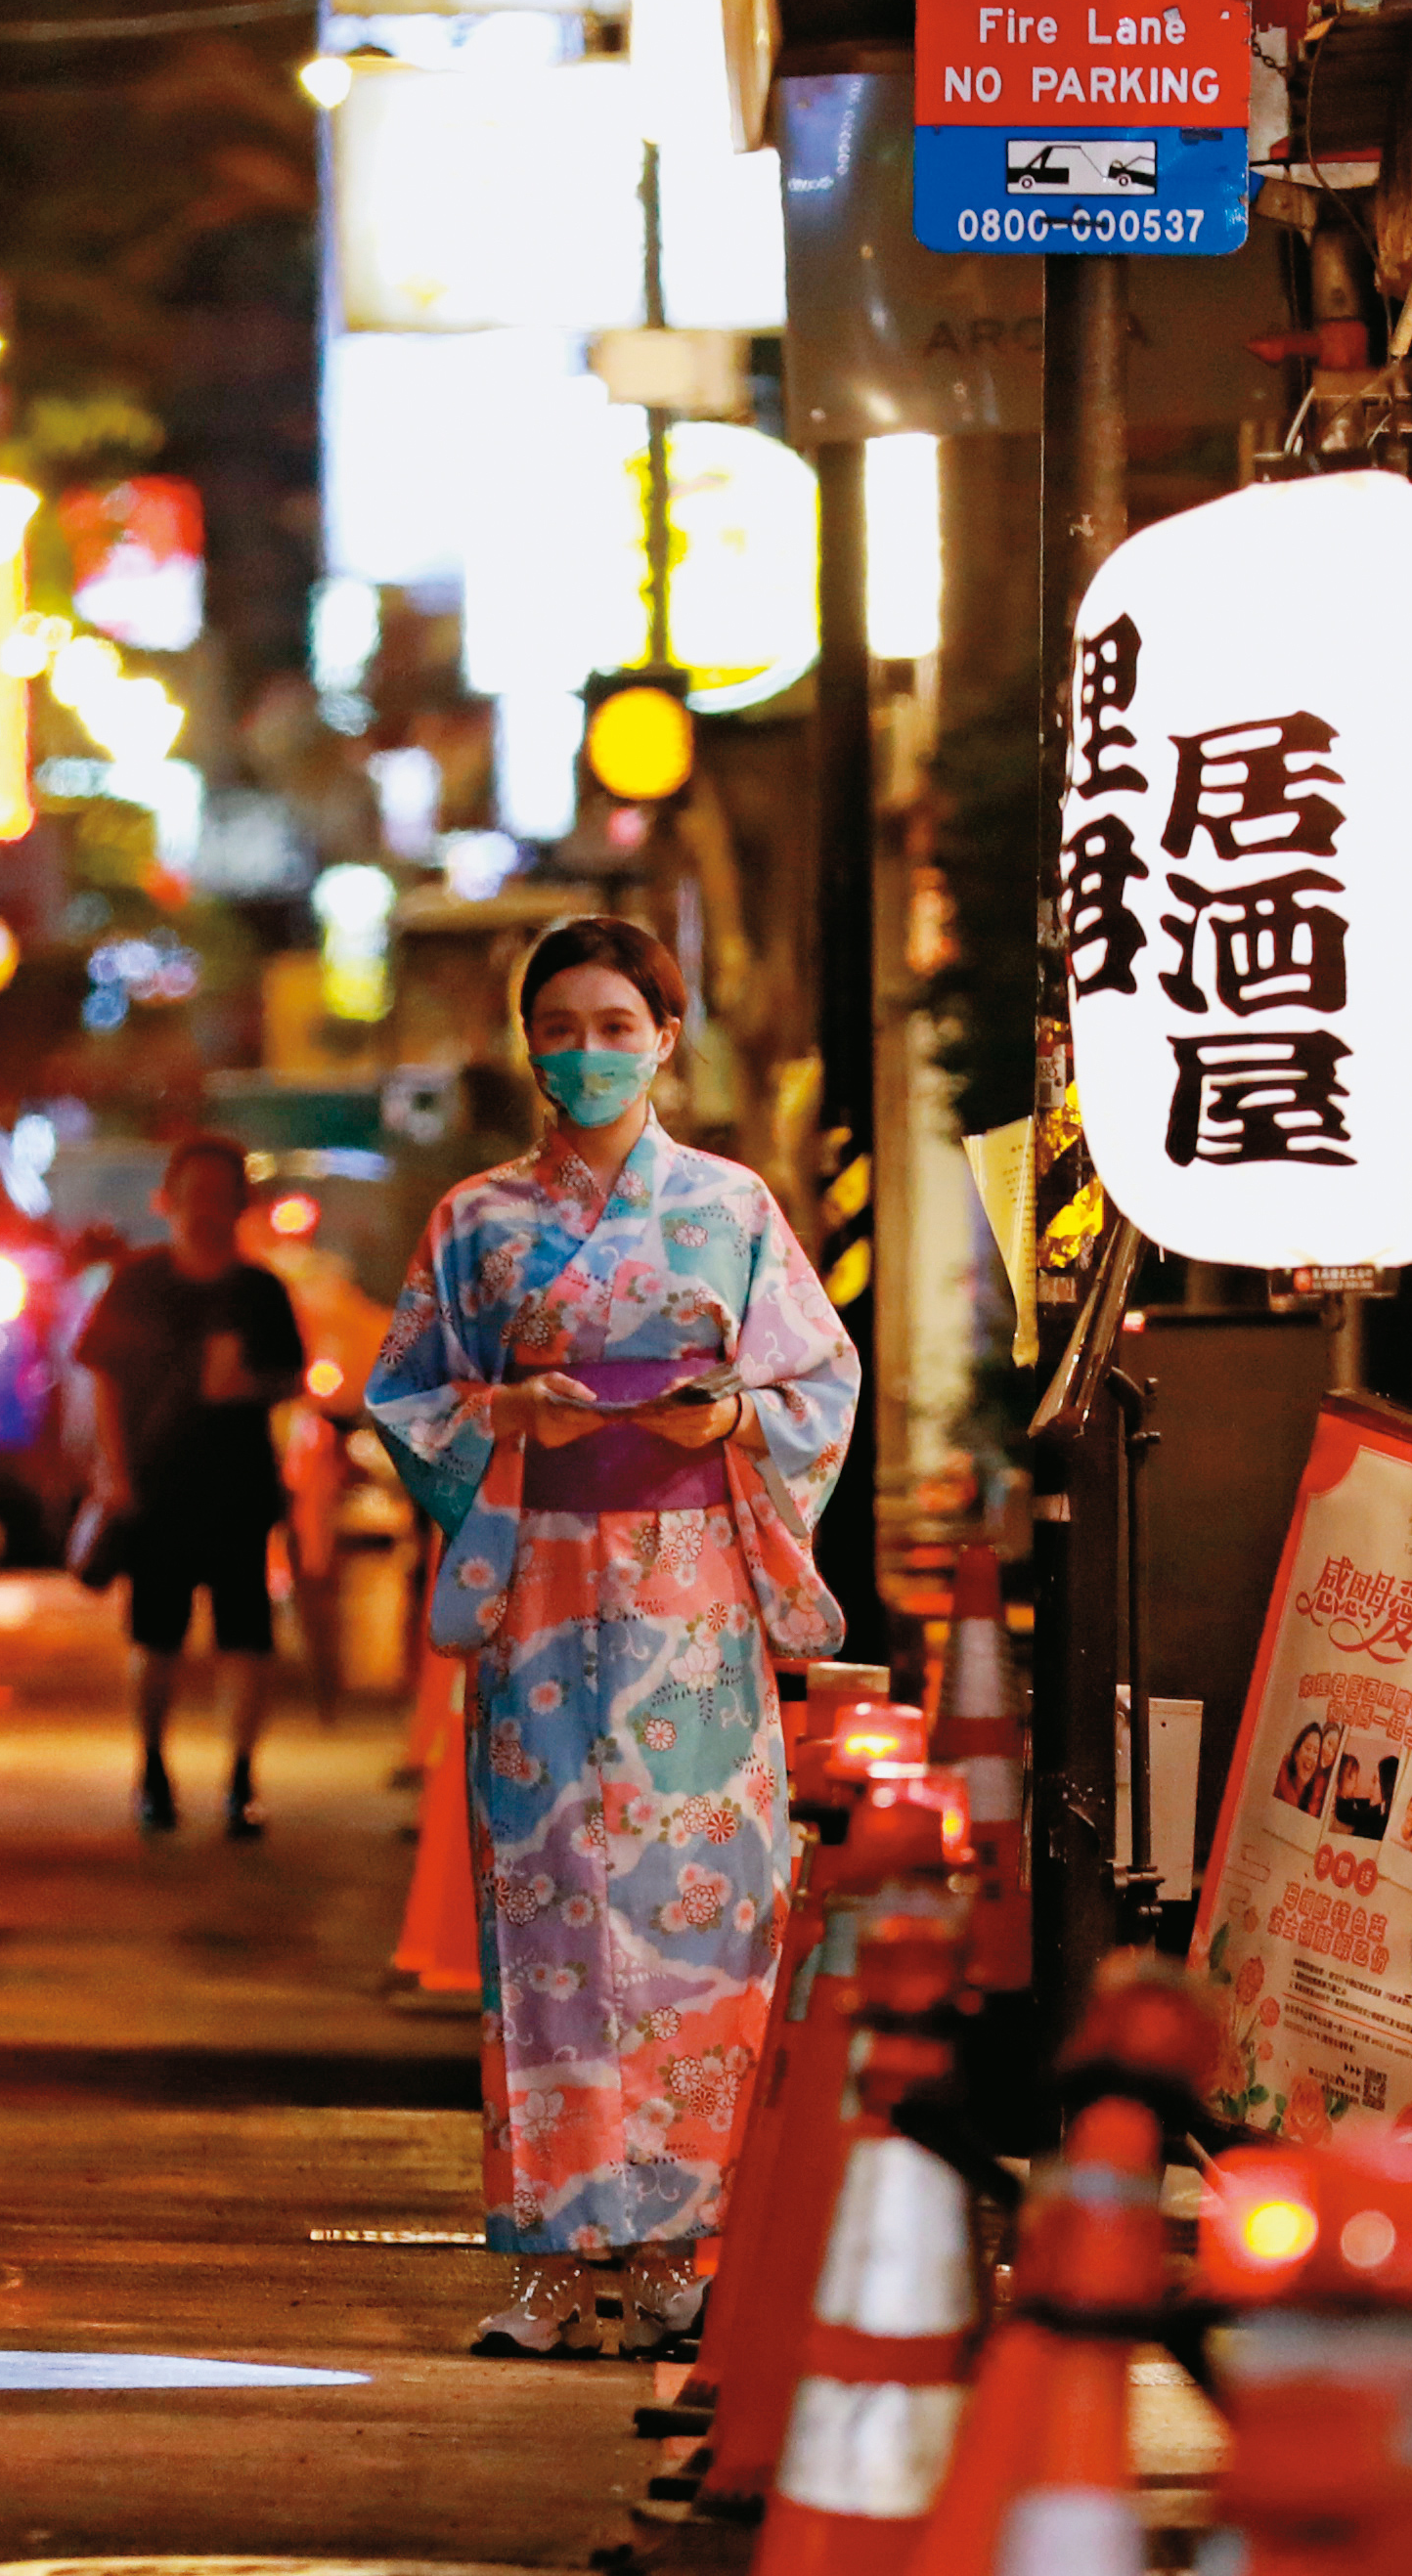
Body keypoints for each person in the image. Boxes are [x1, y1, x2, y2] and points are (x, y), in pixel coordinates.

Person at [366, 917, 859, 2359]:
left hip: (692, 1591)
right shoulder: (475, 1222)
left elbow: (813, 1382)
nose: (584, 1053)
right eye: (559, 1026)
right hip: (539, 1590)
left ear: (665, 1038)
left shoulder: (730, 1209)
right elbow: (406, 1393)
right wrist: (506, 1420)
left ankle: (676, 2257)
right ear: (529, 1044)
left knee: (700, 1912)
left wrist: (731, 1421)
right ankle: (546, 2267)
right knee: (548, 1917)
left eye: (612, 1025)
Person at [77, 1133, 307, 1839]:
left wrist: (251, 1386)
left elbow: (293, 1378)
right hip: (157, 1489)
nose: (204, 1209)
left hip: (238, 1487)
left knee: (247, 1640)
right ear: (166, 1201)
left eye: (219, 1194)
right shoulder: (138, 1284)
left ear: (242, 1203)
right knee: (156, 1639)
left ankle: (241, 1782)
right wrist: (115, 1474)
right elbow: (104, 1382)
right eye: (193, 1194)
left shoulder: (259, 1290)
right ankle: (152, 1770)